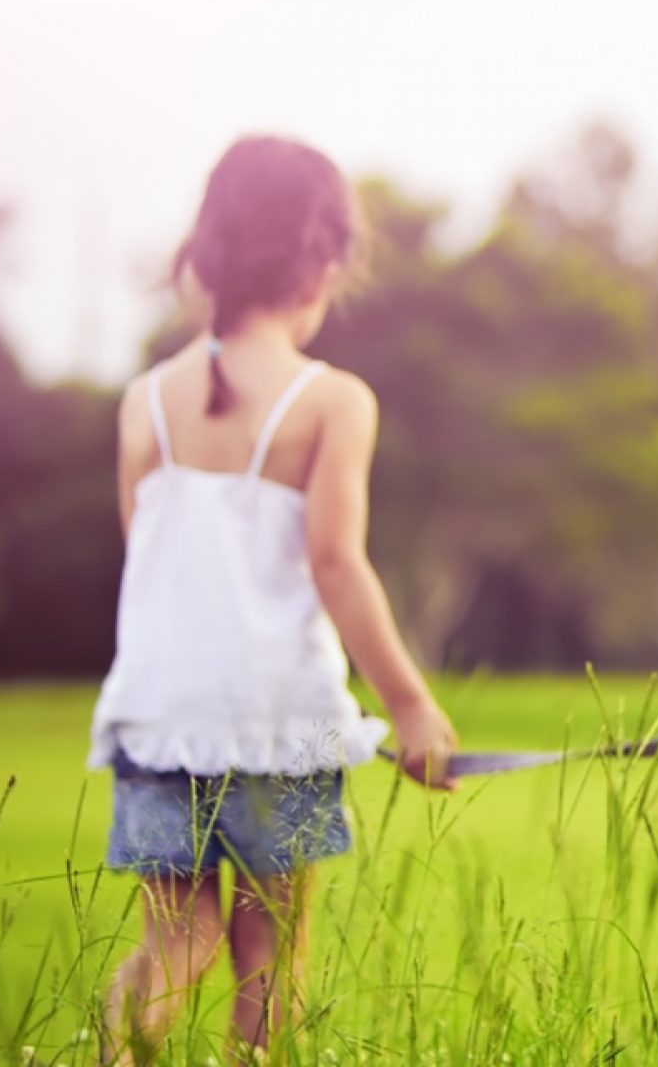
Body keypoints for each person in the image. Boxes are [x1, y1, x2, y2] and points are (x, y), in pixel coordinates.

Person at [88, 135, 459, 1060]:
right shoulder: (332, 402)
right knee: (271, 961)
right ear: (322, 266)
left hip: (158, 720)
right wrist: (410, 707)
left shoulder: (145, 402)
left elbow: (149, 557)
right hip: (282, 731)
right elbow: (337, 563)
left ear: (203, 259)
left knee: (173, 945)